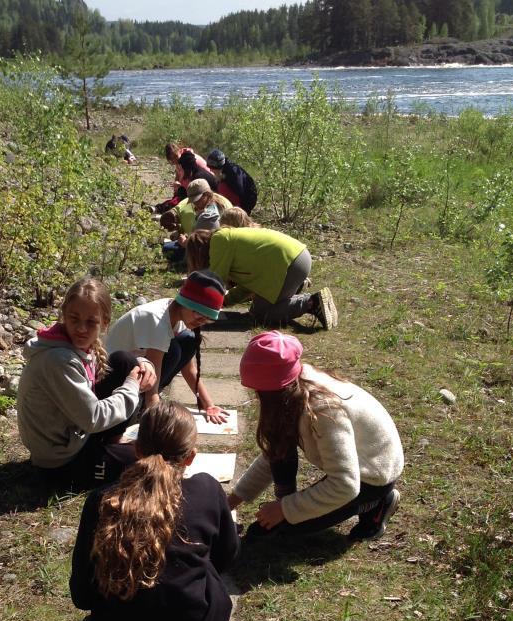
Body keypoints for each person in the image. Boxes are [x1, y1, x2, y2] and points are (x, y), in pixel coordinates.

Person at [69, 406, 239, 621]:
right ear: (190, 457)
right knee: (211, 574)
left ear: (135, 449)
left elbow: (82, 595)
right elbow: (226, 555)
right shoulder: (206, 489)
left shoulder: (102, 500)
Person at [230, 331, 404, 541]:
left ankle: (377, 504)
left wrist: (285, 510)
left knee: (287, 529)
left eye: (257, 390)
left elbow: (345, 484)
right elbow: (274, 453)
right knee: (276, 521)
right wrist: (230, 502)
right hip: (356, 464)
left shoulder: (323, 411)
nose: (255, 395)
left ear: (271, 392)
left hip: (375, 472)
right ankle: (287, 506)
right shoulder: (294, 387)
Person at [16, 278, 156, 492]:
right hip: (60, 463)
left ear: (105, 322)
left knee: (124, 361)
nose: (81, 328)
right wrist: (132, 387)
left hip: (77, 435)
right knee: (149, 463)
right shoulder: (58, 359)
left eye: (91, 322)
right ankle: (108, 450)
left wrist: (143, 363)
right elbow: (93, 418)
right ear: (64, 315)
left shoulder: (72, 346)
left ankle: (112, 441)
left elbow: (111, 366)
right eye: (74, 319)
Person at [105, 270, 229, 425]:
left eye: (208, 320)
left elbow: (189, 368)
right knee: (175, 350)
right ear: (186, 303)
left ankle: (143, 401)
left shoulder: (178, 313)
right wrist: (157, 419)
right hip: (111, 375)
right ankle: (141, 406)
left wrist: (208, 405)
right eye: (199, 316)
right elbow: (153, 368)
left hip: (137, 364)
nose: (202, 322)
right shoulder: (156, 320)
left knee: (188, 341)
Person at [186, 226, 338, 330]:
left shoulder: (219, 241)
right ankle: (296, 286)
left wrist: (200, 309)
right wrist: (226, 300)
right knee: (257, 310)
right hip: (294, 260)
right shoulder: (227, 243)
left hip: (290, 264)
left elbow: (214, 281)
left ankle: (311, 302)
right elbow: (249, 286)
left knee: (263, 314)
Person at [206, 148, 258, 214]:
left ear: (217, 166)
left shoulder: (232, 173)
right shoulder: (224, 170)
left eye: (212, 168)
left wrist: (237, 211)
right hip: (240, 198)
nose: (210, 170)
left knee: (221, 187)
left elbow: (240, 192)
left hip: (246, 201)